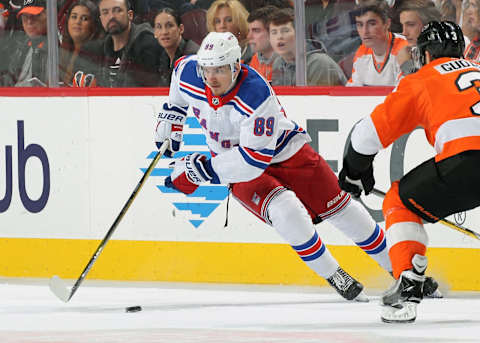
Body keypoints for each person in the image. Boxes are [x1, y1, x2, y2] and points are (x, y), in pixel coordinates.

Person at [154, 31, 404, 302]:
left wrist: (199, 172)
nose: (211, 78)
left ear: (236, 66)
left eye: (220, 70)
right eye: (207, 69)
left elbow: (251, 162)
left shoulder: (256, 95)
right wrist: (172, 116)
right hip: (234, 163)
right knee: (286, 213)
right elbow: (178, 90)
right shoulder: (188, 72)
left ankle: (403, 272)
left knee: (341, 210)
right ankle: (335, 274)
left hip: (283, 153)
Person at [338, 21, 480, 323]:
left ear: (426, 55)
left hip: (466, 161)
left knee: (399, 202)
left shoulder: (422, 80)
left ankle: (407, 284)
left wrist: (353, 172)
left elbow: (365, 136)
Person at [92, 0, 162, 87]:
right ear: (101, 19)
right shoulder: (102, 48)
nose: (111, 16)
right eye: (105, 12)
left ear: (130, 15)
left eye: (117, 10)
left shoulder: (147, 44)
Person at [269, 7, 347, 86]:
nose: (279, 37)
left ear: (300, 33)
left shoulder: (319, 63)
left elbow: (314, 98)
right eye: (274, 32)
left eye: (285, 31)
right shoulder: (278, 63)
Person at [347, 0, 408, 86]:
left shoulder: (404, 49)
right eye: (360, 25)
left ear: (387, 24)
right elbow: (352, 91)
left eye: (372, 24)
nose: (365, 31)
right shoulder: (361, 52)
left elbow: (405, 92)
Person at [0, 0, 49, 86]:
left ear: (48, 16)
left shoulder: (56, 48)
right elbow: (9, 79)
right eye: (25, 16)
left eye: (35, 16)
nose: (29, 22)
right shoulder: (21, 45)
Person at [59, 0, 105, 86]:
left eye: (85, 18)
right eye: (74, 17)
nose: (78, 22)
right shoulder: (62, 50)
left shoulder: (98, 51)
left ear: (94, 24)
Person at [152, 7, 199, 86]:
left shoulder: (191, 56)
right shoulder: (162, 56)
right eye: (159, 27)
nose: (164, 32)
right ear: (155, 33)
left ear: (181, 29)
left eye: (169, 25)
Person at [396, 0, 441, 75]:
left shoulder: (451, 48)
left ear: (429, 25)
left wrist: (406, 65)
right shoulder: (409, 52)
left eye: (410, 25)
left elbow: (427, 84)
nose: (404, 33)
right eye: (402, 25)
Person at [246, 5, 277, 82]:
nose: (249, 36)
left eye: (256, 30)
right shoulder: (255, 60)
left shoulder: (290, 62)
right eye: (249, 31)